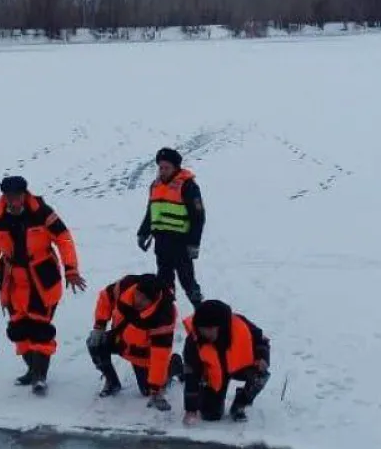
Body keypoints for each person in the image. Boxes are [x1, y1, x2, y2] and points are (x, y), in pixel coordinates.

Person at [0, 175, 87, 394]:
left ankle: (40, 375)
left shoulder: (43, 213)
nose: (13, 201)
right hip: (12, 280)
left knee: (40, 328)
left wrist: (71, 269)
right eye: (9, 197)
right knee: (18, 328)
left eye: (17, 196)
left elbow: (64, 239)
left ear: (24, 195)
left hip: (42, 277)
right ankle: (32, 370)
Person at [88, 272, 182, 409]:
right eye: (138, 294)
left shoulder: (164, 315)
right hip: (120, 340)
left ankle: (175, 365)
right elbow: (106, 297)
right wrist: (99, 326)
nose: (138, 300)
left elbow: (159, 355)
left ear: (154, 300)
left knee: (146, 391)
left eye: (144, 299)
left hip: (142, 355)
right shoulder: (125, 286)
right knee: (94, 343)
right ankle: (112, 382)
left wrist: (156, 389)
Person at [180, 299, 271, 424]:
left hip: (240, 366)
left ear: (221, 326)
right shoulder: (193, 341)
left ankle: (240, 403)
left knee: (260, 375)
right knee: (210, 416)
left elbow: (262, 340)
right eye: (202, 329)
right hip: (213, 375)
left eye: (210, 328)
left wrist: (262, 358)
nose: (206, 333)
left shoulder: (241, 325)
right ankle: (205, 394)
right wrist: (190, 409)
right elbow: (191, 374)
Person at [136, 147, 205, 308]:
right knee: (164, 279)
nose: (163, 171)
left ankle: (199, 309)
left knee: (187, 278)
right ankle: (166, 309)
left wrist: (194, 243)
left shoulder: (188, 186)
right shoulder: (155, 185)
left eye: (167, 167)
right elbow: (151, 211)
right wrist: (143, 232)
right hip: (161, 240)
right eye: (161, 167)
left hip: (181, 241)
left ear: (176, 167)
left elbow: (198, 217)